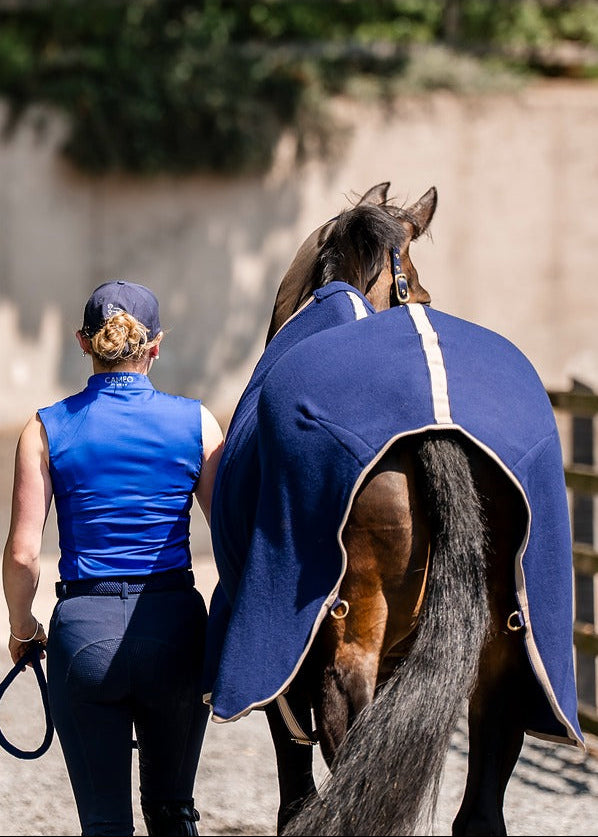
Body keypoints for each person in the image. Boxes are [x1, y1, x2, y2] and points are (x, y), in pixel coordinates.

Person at [2, 280, 224, 837]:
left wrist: (23, 626)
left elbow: (25, 555)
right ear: (156, 346)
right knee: (174, 811)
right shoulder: (198, 425)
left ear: (83, 342)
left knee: (104, 823)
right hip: (174, 627)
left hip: (84, 634)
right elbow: (235, 540)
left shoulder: (44, 428)